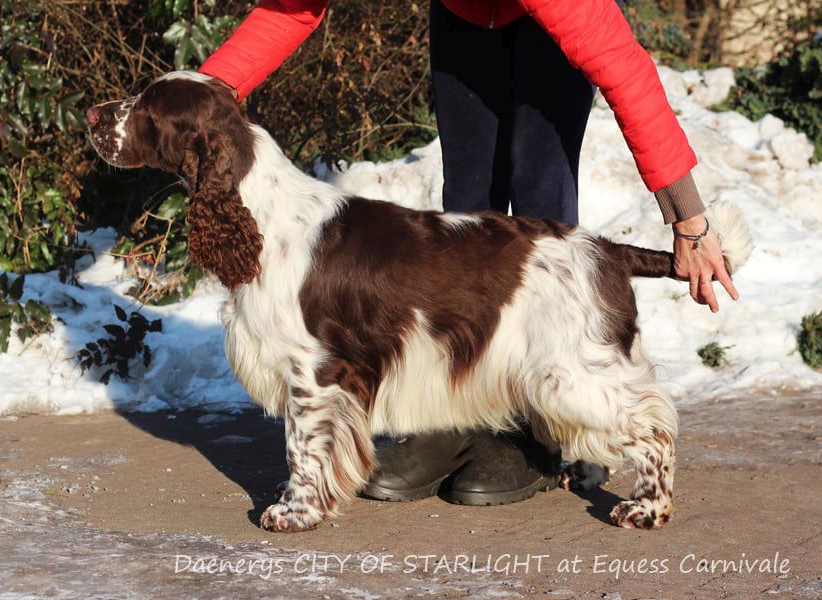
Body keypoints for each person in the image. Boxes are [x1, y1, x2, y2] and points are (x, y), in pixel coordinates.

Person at [198, 0, 739, 507]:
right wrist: (202, 96)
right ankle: (450, 422)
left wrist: (688, 219)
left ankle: (537, 435)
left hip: (550, 29)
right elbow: (290, 9)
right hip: (464, 18)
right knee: (462, 220)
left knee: (541, 206)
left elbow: (624, 68)